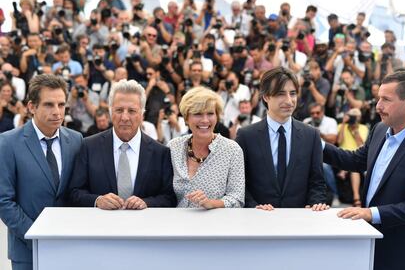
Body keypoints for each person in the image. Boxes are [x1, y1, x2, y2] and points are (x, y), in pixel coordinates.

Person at [324, 71, 405, 270]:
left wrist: (372, 213)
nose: (378, 106)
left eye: (386, 100)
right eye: (378, 98)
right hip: (367, 243)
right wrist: (317, 145)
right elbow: (356, 160)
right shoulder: (380, 129)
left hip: (403, 251)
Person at [0, 74, 83, 270]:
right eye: (49, 105)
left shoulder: (77, 140)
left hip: (69, 247)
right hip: (27, 249)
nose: (57, 112)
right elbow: (4, 200)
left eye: (61, 105)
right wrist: (37, 235)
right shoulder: (8, 143)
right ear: (31, 107)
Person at [69, 79, 176, 209]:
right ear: (110, 112)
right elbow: (74, 192)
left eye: (131, 111)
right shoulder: (88, 147)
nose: (125, 117)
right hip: (100, 226)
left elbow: (169, 197)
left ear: (142, 114)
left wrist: (147, 203)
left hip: (144, 227)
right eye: (119, 110)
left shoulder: (161, 153)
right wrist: (97, 200)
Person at [235, 67, 327, 210]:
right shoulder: (246, 136)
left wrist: (315, 204)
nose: (289, 101)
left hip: (300, 221)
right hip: (258, 221)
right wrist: (254, 207)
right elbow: (239, 183)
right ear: (266, 96)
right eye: (280, 94)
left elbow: (317, 182)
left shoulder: (311, 135)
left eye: (293, 93)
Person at [168, 87, 244, 208]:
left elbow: (237, 199)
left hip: (216, 224)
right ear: (186, 118)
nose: (205, 120)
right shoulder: (173, 147)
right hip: (177, 223)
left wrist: (210, 203)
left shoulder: (232, 150)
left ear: (217, 116)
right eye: (198, 114)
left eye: (210, 114)